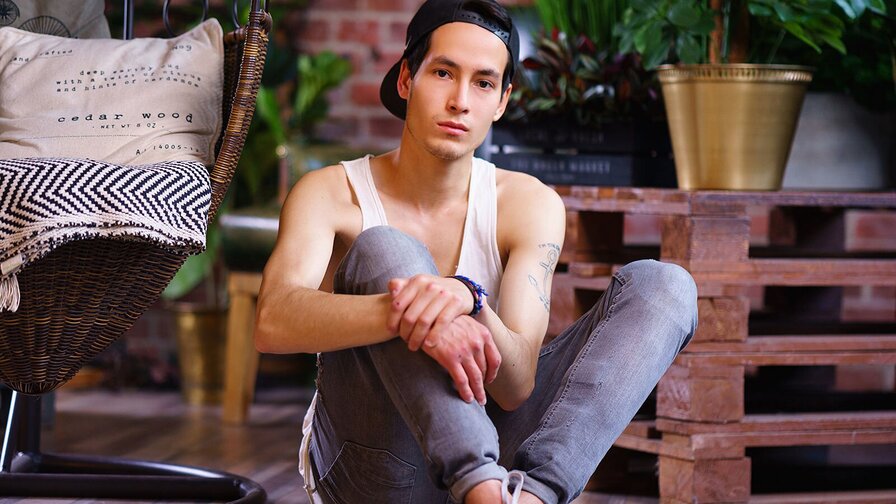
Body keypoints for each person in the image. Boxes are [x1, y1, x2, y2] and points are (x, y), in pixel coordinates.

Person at [254, 0, 698, 502]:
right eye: (443, 73)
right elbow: (272, 321)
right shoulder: (331, 193)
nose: (460, 101)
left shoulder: (528, 204)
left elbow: (516, 384)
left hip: (498, 451)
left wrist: (468, 299)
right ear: (406, 79)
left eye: (483, 83)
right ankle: (483, 490)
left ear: (502, 101)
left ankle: (532, 496)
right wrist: (411, 311)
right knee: (385, 248)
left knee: (667, 286)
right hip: (373, 467)